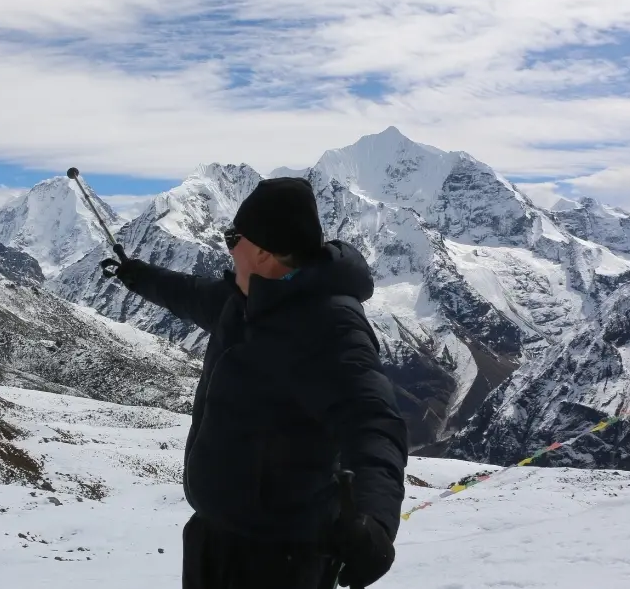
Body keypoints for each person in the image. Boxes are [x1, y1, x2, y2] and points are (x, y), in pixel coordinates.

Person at [101, 177, 408, 589]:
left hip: (278, 557)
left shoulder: (328, 325)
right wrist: (136, 275)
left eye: (233, 236)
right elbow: (188, 293)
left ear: (263, 251)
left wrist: (376, 520)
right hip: (215, 538)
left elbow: (373, 422)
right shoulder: (245, 301)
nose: (226, 246)